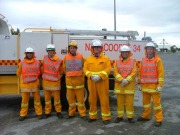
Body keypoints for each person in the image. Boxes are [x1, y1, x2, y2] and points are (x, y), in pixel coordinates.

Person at [83, 39, 111, 125]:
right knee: (92, 99)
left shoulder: (105, 58)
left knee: (104, 99)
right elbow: (85, 69)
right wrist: (90, 76)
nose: (96, 49)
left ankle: (106, 117)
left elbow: (108, 69)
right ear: (92, 49)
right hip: (92, 82)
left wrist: (100, 76)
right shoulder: (88, 59)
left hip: (102, 82)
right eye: (95, 47)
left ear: (101, 49)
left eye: (98, 47)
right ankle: (92, 116)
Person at [137, 42, 164, 127]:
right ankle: (146, 116)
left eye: (151, 49)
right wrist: (139, 83)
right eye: (148, 49)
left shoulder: (157, 60)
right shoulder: (143, 59)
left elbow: (161, 73)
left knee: (157, 104)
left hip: (154, 86)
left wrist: (160, 85)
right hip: (145, 86)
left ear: (154, 50)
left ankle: (159, 119)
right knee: (146, 103)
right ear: (146, 50)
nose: (149, 50)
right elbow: (139, 72)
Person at [62, 40, 87, 120]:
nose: (72, 49)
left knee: (81, 101)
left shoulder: (81, 56)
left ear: (76, 49)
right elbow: (63, 68)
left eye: (74, 48)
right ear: (69, 49)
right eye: (71, 48)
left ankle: (82, 114)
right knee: (71, 101)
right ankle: (71, 113)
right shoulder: (66, 57)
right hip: (70, 83)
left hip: (79, 82)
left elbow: (84, 67)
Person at [16, 47, 43, 121]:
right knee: (24, 102)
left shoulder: (37, 62)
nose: (30, 54)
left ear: (33, 54)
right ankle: (23, 114)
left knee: (37, 100)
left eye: (31, 53)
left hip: (34, 85)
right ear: (26, 54)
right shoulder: (22, 62)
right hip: (25, 86)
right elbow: (18, 73)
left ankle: (39, 113)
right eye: (28, 53)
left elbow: (40, 72)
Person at [113, 45, 137, 123]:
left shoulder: (133, 61)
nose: (125, 53)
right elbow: (115, 72)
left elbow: (134, 72)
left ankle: (130, 117)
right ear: (121, 53)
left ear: (129, 53)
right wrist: (121, 79)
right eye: (123, 52)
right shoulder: (116, 61)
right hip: (120, 85)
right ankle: (120, 116)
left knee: (129, 103)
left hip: (129, 86)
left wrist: (127, 80)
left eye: (126, 52)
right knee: (119, 103)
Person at [41, 44, 63, 119]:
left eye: (52, 51)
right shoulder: (44, 59)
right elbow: (41, 69)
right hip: (46, 83)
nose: (50, 52)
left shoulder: (59, 60)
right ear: (47, 51)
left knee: (57, 100)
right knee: (47, 100)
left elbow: (61, 71)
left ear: (54, 51)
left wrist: (58, 77)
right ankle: (47, 112)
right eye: (49, 51)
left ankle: (58, 112)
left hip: (55, 83)